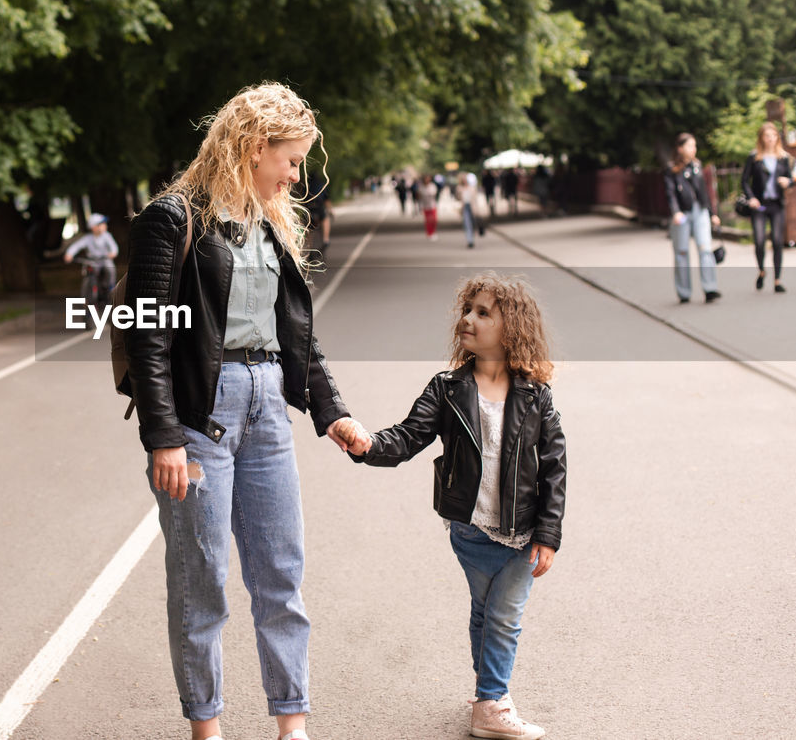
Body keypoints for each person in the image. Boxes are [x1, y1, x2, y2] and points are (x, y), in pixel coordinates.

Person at [124, 82, 360, 740]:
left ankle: (293, 726)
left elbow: (296, 335)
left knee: (281, 575)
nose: (295, 174)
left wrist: (331, 410)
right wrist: (163, 434)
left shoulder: (271, 224)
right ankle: (208, 729)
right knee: (203, 585)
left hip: (266, 410)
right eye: (289, 159)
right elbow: (146, 335)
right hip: (202, 417)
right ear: (256, 147)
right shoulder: (174, 219)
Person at [335, 272, 566, 740]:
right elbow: (407, 436)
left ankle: (492, 702)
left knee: (502, 616)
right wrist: (367, 444)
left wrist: (548, 533)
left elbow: (555, 468)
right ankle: (489, 695)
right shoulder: (447, 388)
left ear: (512, 328)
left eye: (484, 313)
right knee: (485, 612)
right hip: (470, 529)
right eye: (467, 310)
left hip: (522, 532)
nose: (468, 319)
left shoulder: (536, 396)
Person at [663, 133, 721, 303]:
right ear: (680, 149)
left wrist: (712, 214)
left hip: (700, 211)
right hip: (682, 214)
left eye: (694, 146)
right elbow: (670, 193)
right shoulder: (671, 169)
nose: (693, 149)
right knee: (682, 252)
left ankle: (710, 288)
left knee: (705, 248)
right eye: (690, 146)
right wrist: (675, 212)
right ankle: (684, 292)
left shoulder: (697, 165)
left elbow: (704, 192)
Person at [741, 122, 793, 293]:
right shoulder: (754, 157)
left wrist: (788, 182)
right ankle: (762, 271)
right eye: (767, 136)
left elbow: (791, 178)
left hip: (777, 204)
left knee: (778, 241)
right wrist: (751, 198)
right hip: (760, 205)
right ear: (761, 138)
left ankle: (777, 280)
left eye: (773, 136)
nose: (770, 139)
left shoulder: (783, 157)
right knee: (759, 241)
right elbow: (744, 181)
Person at [63, 212, 119, 306]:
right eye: (101, 224)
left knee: (110, 269)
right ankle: (86, 296)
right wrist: (69, 254)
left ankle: (111, 289)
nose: (104, 226)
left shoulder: (107, 236)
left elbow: (114, 248)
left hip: (104, 259)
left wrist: (112, 253)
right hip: (92, 261)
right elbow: (77, 246)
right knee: (87, 273)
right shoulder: (88, 238)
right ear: (94, 227)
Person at [457, 169, 481, 248]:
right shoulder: (459, 188)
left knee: (473, 224)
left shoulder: (472, 187)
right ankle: (470, 240)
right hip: (465, 207)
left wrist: (477, 209)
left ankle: (472, 238)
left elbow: (475, 199)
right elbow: (458, 198)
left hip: (472, 206)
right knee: (467, 224)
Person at [418, 173, 439, 240]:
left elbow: (434, 194)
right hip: (425, 206)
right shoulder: (421, 187)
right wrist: (420, 207)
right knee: (428, 221)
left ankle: (433, 232)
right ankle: (429, 233)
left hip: (432, 205)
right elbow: (420, 197)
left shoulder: (432, 186)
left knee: (434, 220)